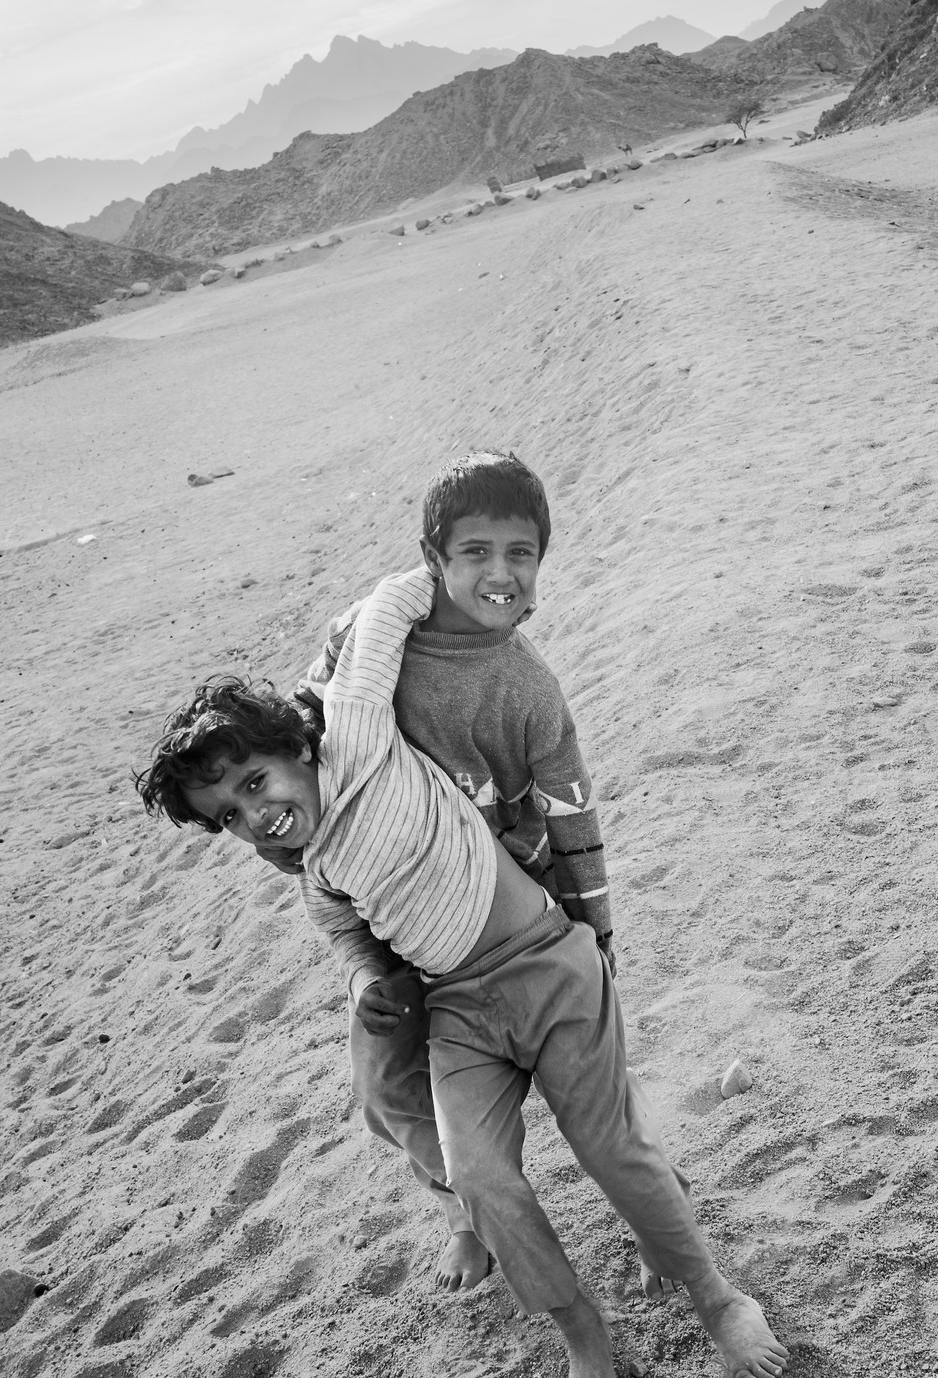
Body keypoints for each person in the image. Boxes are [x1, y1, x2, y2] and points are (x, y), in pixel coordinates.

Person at [135, 567, 786, 1378]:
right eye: (227, 814)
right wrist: (369, 986)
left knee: (607, 1146)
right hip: (460, 1012)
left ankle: (718, 1296)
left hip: (547, 967)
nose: (252, 812)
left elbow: (390, 610)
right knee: (479, 1178)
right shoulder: (315, 872)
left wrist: (457, 571)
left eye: (254, 781)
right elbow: (350, 941)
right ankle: (583, 1331)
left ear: (296, 748)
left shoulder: (359, 733)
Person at [286, 451, 618, 1296]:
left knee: (585, 1089)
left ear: (541, 566)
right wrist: (301, 867)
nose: (498, 573)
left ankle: (655, 1209)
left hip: (501, 921)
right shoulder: (366, 638)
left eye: (521, 553)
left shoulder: (528, 692)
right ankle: (464, 1209)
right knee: (387, 1087)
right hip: (391, 908)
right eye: (475, 551)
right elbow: (297, 749)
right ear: (434, 556)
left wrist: (597, 939)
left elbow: (573, 822)